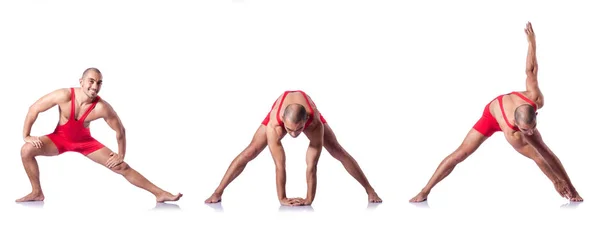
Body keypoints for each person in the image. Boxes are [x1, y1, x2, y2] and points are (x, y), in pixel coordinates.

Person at [409, 22, 583, 203]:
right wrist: (557, 181)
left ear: (535, 113)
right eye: (526, 130)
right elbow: (540, 156)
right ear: (517, 126)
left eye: (533, 128)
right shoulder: (513, 132)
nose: (530, 133)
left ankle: (568, 188)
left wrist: (532, 43)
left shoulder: (535, 97)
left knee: (541, 148)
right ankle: (424, 191)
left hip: (511, 111)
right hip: (493, 115)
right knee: (461, 154)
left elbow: (531, 70)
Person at [16, 68, 183, 203]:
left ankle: (159, 193)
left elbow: (120, 131)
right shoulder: (64, 95)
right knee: (26, 150)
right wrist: (27, 135)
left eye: (99, 83)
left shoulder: (101, 107)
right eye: (91, 81)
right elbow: (34, 108)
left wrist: (120, 154)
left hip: (84, 142)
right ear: (81, 82)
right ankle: (37, 192)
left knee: (122, 167)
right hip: (59, 138)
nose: (95, 86)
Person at [205, 90, 382, 206]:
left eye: (298, 130)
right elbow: (279, 165)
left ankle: (370, 190)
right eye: (289, 130)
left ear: (305, 122)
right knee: (251, 151)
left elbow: (311, 166)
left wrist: (308, 199)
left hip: (305, 114)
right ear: (283, 120)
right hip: (281, 112)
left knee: (337, 150)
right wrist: (282, 198)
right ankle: (217, 192)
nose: (294, 135)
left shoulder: (315, 123)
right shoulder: (275, 124)